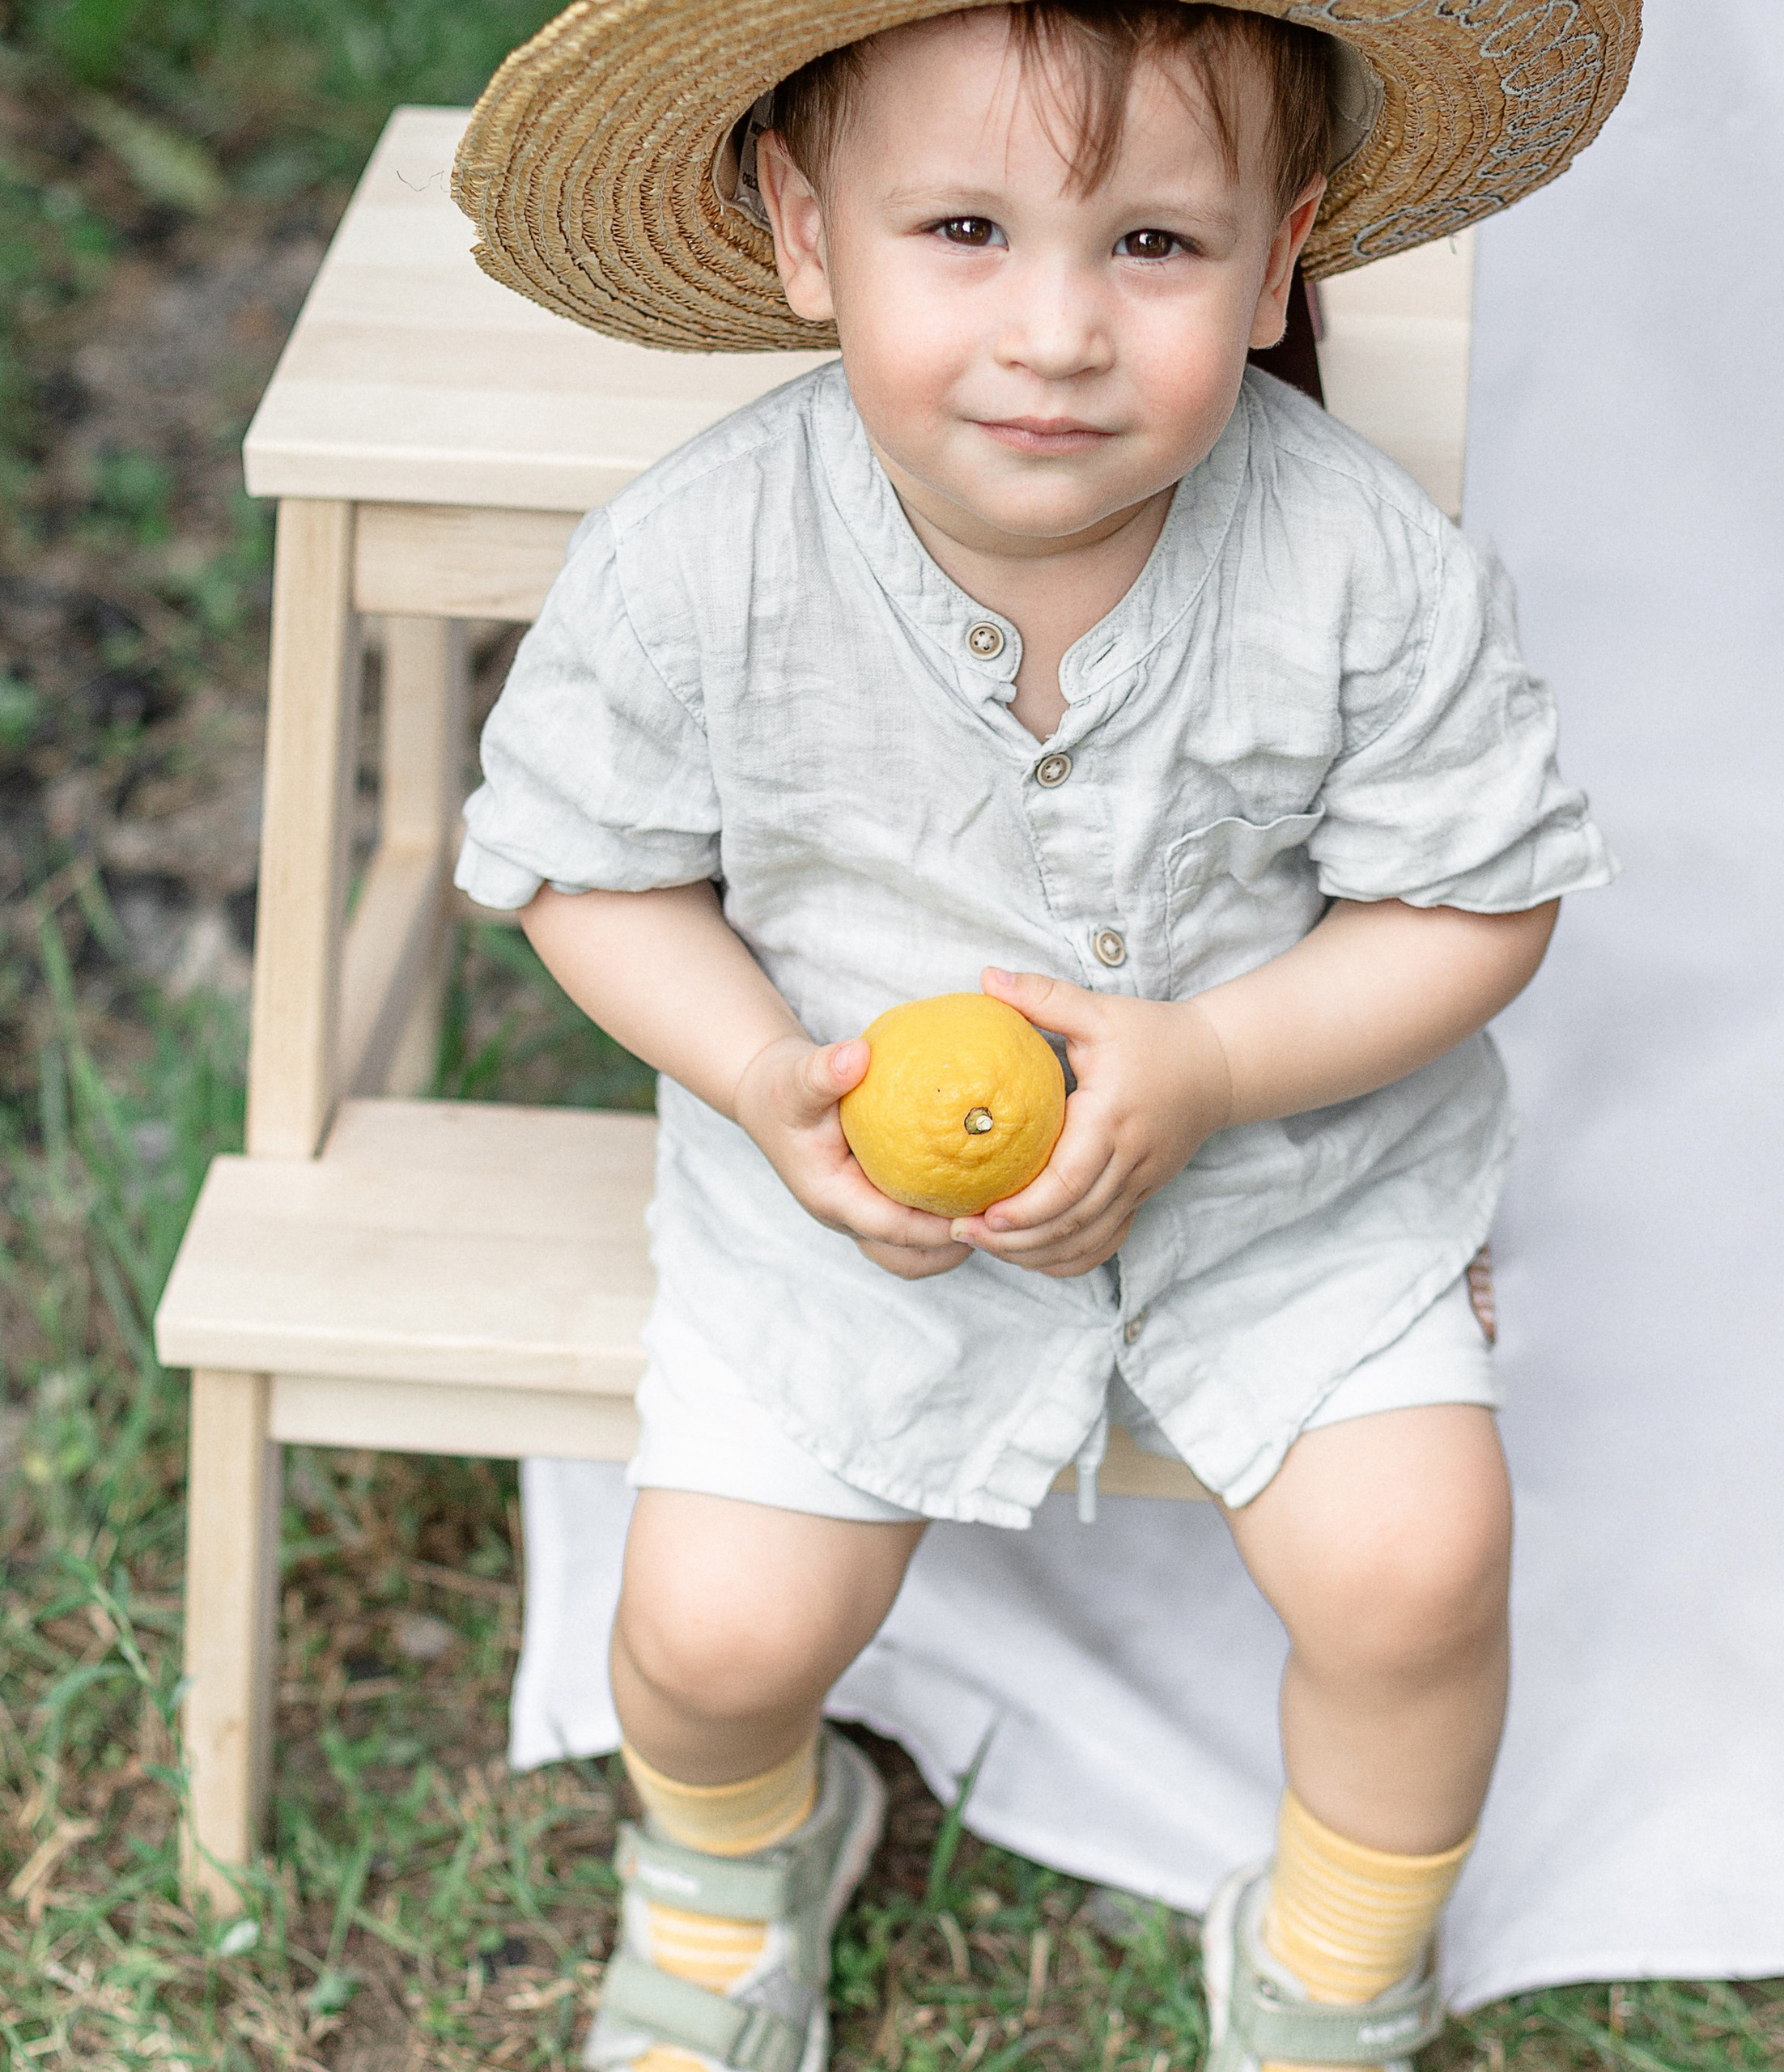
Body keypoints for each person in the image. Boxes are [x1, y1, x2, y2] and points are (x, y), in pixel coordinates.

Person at [449, 2, 1638, 2066]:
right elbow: (589, 870)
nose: (1060, 330)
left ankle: (1337, 1950)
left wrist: (1217, 1065)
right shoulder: (694, 557)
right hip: (840, 1203)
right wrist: (754, 1073)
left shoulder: (1358, 561)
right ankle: (736, 1862)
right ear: (805, 233)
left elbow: (1470, 902)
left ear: (1281, 258)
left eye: (1154, 247)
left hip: (1283, 1179)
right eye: (967, 230)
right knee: (711, 1630)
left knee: (1418, 1565)